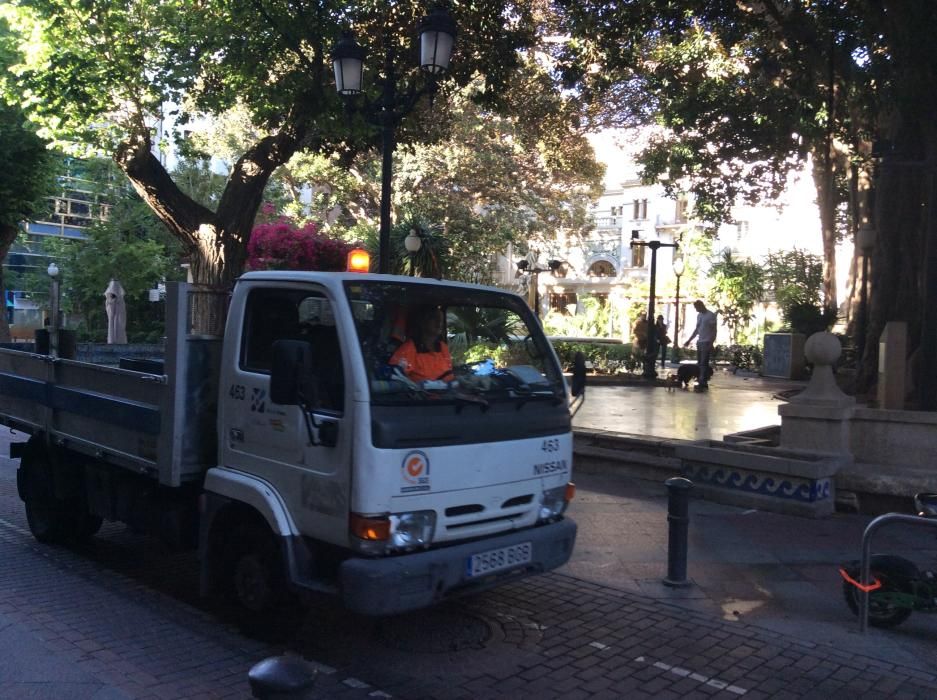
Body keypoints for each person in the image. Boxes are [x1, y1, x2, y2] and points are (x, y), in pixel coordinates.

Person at [389, 305, 454, 383]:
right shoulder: (408, 349)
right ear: (423, 322)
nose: (439, 322)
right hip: (423, 394)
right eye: (434, 318)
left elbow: (449, 374)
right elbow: (395, 378)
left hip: (450, 393)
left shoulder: (443, 347)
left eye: (441, 319)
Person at [683, 300, 717, 392]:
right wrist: (689, 340)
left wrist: (711, 342)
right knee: (700, 363)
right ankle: (701, 379)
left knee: (703, 363)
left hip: (707, 342)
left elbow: (714, 330)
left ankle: (703, 381)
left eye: (696, 308)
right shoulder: (699, 316)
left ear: (701, 306)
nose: (696, 310)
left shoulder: (711, 315)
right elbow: (697, 329)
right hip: (700, 341)